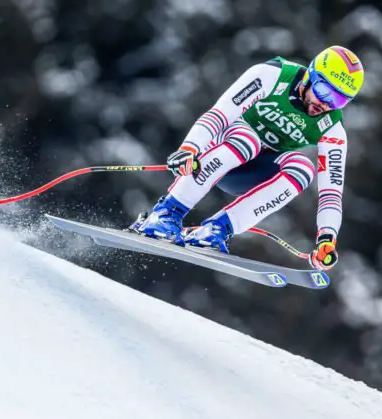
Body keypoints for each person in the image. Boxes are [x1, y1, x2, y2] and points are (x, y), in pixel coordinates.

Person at [131, 46, 364, 271]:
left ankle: (217, 229)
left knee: (303, 168)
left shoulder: (332, 127)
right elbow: (219, 115)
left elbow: (331, 192)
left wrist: (327, 238)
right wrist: (190, 147)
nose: (326, 104)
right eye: (324, 91)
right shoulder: (273, 75)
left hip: (252, 173)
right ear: (310, 77)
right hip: (221, 151)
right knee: (248, 140)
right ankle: (166, 213)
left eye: (339, 100)